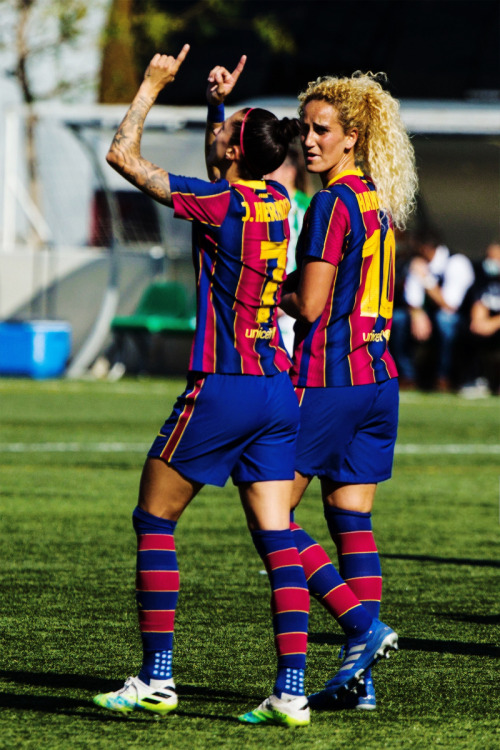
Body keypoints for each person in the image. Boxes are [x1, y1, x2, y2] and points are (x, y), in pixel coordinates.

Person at [92, 46, 312, 728]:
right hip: (275, 387)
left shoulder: (219, 202)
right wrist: (220, 104)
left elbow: (122, 157)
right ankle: (292, 690)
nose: (217, 133)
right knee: (277, 535)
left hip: (224, 384)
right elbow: (228, 166)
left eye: (225, 128)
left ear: (238, 150)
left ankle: (158, 677)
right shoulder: (276, 198)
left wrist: (153, 85)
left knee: (154, 519)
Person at [280, 71, 418, 710]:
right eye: (303, 129)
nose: (307, 141)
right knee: (350, 519)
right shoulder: (378, 199)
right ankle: (356, 680)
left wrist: (270, 289)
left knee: (274, 516)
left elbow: (309, 304)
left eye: (320, 130)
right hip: (378, 383)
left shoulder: (333, 204)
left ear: (351, 138)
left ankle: (362, 627)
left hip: (327, 379)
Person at [404, 227, 475, 391]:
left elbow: (450, 305)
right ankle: (408, 376)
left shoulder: (457, 262)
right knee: (400, 319)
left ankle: (444, 376)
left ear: (425, 248)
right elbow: (412, 299)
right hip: (428, 318)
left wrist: (426, 278)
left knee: (445, 321)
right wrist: (417, 313)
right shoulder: (418, 264)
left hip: (460, 320)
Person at [266, 145, 312, 355]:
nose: (266, 174)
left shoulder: (307, 207)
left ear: (290, 171)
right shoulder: (266, 204)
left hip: (292, 299)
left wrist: (288, 297)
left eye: (272, 168)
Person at [462, 240, 500, 396]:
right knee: (468, 333)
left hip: (495, 325)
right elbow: (478, 310)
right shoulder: (482, 279)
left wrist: (493, 324)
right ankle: (475, 380)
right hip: (488, 327)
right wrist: (482, 323)